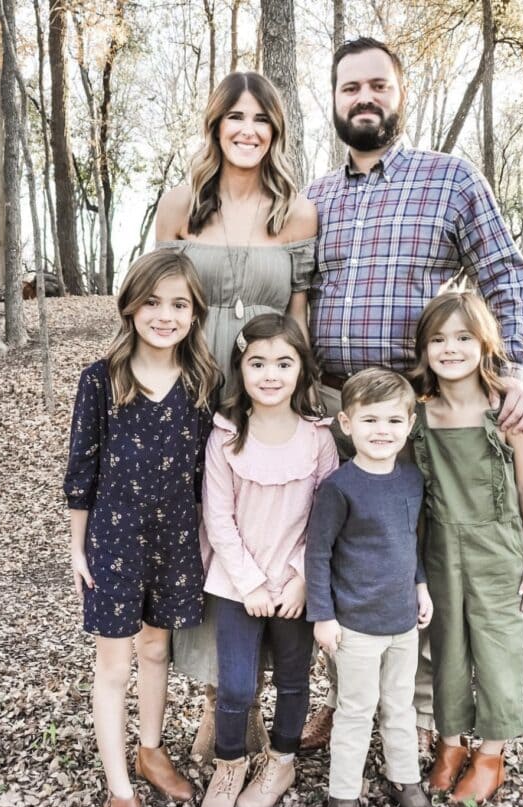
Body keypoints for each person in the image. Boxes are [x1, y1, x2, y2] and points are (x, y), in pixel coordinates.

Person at [301, 35, 523, 751]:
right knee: (343, 561)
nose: (365, 97)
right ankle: (350, 698)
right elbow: (299, 298)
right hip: (335, 410)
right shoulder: (314, 198)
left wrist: (519, 367)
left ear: (399, 94)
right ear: (335, 100)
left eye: (378, 84)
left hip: (420, 415)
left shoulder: (449, 179)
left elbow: (506, 273)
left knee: (420, 561)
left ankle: (430, 719)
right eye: (351, 88)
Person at [155, 71, 318, 761]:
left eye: (261, 119)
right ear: (215, 125)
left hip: (266, 391)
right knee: (201, 536)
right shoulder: (181, 204)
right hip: (193, 386)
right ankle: (215, 696)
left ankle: (248, 696)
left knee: (261, 533)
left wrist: (292, 396)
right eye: (235, 117)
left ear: (276, 131)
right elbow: (153, 303)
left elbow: (299, 320)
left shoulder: (298, 215)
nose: (247, 129)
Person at [63, 249, 219, 807]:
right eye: (152, 302)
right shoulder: (102, 379)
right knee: (115, 664)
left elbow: (210, 472)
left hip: (177, 538)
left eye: (179, 304)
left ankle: (150, 751)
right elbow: (82, 470)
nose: (164, 314)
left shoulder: (203, 380)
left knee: (157, 648)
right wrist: (76, 548)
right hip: (115, 539)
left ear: (194, 313)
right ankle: (120, 798)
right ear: (130, 305)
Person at [198, 314, 338, 807]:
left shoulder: (319, 438)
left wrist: (302, 577)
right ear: (242, 368)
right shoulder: (226, 436)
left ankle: (281, 763)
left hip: (297, 586)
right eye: (258, 363)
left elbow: (325, 517)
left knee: (295, 680)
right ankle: (229, 766)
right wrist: (250, 582)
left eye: (284, 362)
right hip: (239, 586)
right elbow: (217, 518)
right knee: (236, 686)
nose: (271, 374)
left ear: (301, 368)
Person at [410, 290, 523, 803]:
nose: (450, 349)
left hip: (498, 545)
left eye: (463, 337)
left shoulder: (505, 411)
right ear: (423, 349)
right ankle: (449, 745)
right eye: (438, 339)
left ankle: (491, 753)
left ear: (483, 342)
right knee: (446, 646)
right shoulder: (420, 413)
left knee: (498, 644)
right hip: (440, 545)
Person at [305, 368, 438, 807]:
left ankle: (404, 777)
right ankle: (344, 790)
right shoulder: (339, 488)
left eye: (393, 421)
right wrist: (322, 616)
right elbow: (318, 554)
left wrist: (420, 585)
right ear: (346, 423)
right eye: (370, 421)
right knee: (356, 709)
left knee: (399, 705)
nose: (382, 431)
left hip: (401, 622)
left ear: (410, 424)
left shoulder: (410, 481)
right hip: (355, 626)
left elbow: (410, 541)